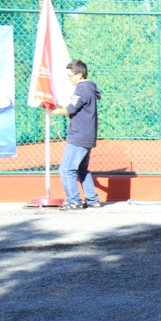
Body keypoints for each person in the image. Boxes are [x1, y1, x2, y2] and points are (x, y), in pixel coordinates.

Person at [51, 60, 102, 211]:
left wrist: (57, 111)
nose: (69, 79)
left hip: (79, 136)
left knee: (66, 169)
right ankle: (92, 200)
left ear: (79, 75)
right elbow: (74, 106)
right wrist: (60, 107)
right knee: (81, 170)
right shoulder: (88, 88)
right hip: (86, 135)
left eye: (70, 76)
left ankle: (74, 200)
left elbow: (72, 108)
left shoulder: (82, 88)